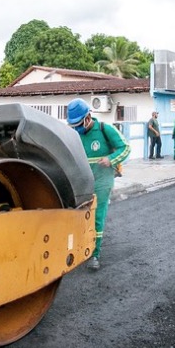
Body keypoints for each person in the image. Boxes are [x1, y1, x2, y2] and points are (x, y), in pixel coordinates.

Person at [67, 98, 131, 270]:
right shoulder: (74, 135)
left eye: (80, 123)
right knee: (78, 215)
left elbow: (125, 148)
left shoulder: (105, 129)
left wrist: (110, 160)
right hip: (83, 181)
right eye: (75, 125)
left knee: (97, 216)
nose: (78, 128)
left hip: (103, 180)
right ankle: (81, 249)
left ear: (88, 117)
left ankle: (94, 255)